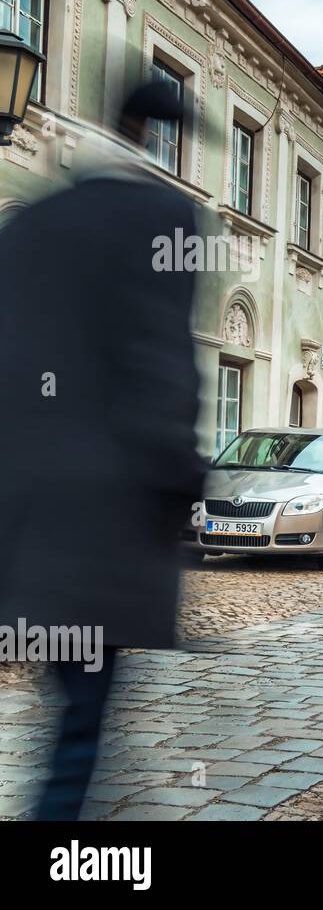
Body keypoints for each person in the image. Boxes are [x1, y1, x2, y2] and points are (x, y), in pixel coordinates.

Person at [0, 82, 207, 820]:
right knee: (80, 721)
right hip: (104, 520)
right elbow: (161, 366)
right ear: (150, 139)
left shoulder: (27, 225)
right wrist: (183, 481)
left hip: (22, 519)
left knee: (70, 705)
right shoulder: (162, 218)